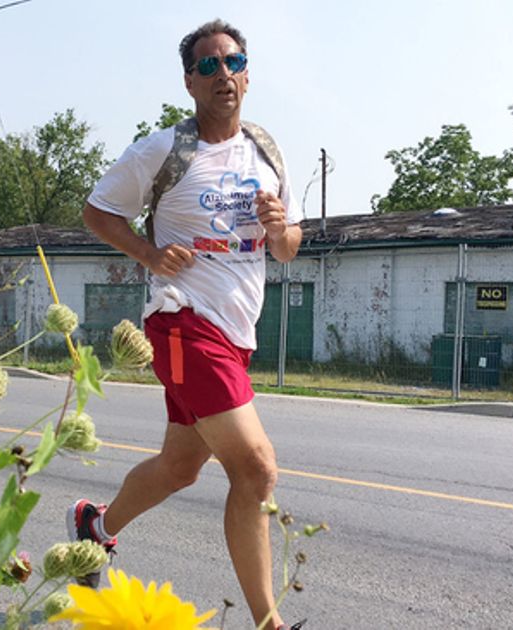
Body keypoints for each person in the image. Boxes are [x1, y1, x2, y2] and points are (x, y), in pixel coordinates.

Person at [68, 18, 304, 630]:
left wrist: (281, 230)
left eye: (232, 62)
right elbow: (97, 211)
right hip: (182, 321)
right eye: (207, 65)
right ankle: (268, 622)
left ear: (247, 75)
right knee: (255, 467)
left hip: (236, 331)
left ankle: (96, 526)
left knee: (179, 468)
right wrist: (149, 255)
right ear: (189, 83)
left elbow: (287, 249)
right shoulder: (164, 149)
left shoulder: (267, 151)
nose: (221, 73)